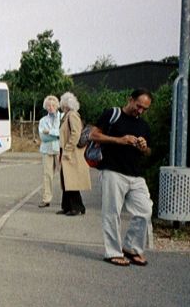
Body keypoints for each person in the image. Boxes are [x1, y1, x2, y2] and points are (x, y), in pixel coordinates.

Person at [90, 88, 154, 267]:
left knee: (145, 210)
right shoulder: (112, 114)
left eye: (144, 109)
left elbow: (149, 152)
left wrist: (143, 147)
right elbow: (93, 134)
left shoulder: (143, 126)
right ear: (130, 99)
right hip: (112, 170)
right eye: (138, 106)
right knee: (112, 213)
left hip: (135, 174)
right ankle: (113, 252)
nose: (140, 111)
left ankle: (131, 247)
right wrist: (119, 140)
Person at [58, 92, 91, 216]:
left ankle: (76, 207)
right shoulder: (67, 116)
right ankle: (67, 206)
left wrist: (68, 149)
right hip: (67, 152)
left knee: (71, 181)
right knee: (66, 180)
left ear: (65, 104)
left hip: (71, 153)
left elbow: (76, 133)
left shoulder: (72, 115)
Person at [38, 95, 61, 208]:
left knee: (63, 174)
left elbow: (62, 133)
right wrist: (56, 135)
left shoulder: (62, 117)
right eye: (48, 105)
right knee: (47, 175)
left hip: (59, 149)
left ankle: (66, 199)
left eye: (53, 105)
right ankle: (46, 199)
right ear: (45, 107)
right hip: (46, 150)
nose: (51, 107)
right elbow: (43, 137)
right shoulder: (42, 120)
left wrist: (51, 132)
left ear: (57, 106)